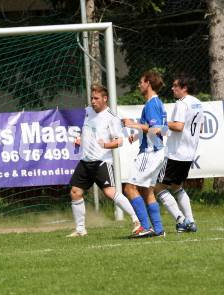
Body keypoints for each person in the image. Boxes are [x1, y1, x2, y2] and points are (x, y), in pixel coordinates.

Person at [67, 84, 146, 238]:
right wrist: (80, 139)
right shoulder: (88, 112)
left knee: (110, 192)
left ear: (105, 99)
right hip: (85, 161)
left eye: (96, 98)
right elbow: (89, 132)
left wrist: (106, 144)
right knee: (75, 192)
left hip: (102, 162)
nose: (93, 101)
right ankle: (80, 229)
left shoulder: (111, 118)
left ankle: (136, 220)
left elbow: (119, 141)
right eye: (91, 98)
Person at [153, 74, 203, 232]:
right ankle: (191, 221)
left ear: (184, 88)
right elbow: (199, 128)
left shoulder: (181, 103)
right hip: (189, 154)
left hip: (176, 153)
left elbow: (179, 126)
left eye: (175, 86)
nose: (172, 88)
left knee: (158, 187)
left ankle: (181, 220)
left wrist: (161, 123)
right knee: (177, 186)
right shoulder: (198, 103)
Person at [123, 70, 167, 237]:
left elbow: (155, 129)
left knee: (129, 188)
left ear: (148, 83)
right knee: (148, 191)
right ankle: (158, 229)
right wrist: (137, 135)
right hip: (156, 151)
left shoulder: (152, 104)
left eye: (141, 81)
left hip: (150, 152)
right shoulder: (156, 103)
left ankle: (145, 227)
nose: (139, 84)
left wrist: (132, 124)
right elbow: (156, 129)